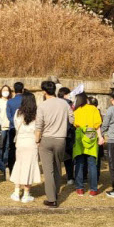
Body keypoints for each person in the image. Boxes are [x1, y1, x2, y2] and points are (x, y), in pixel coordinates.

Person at [35, 80, 74, 208]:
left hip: (46, 139)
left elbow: (39, 126)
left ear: (44, 92)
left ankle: (51, 198)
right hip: (60, 139)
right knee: (58, 167)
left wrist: (36, 141)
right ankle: (55, 192)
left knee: (48, 170)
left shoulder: (42, 106)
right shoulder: (64, 104)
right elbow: (72, 119)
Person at [10, 91, 41, 203]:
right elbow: (38, 129)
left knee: (19, 165)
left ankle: (16, 192)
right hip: (32, 142)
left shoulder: (18, 112)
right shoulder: (37, 113)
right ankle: (26, 194)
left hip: (20, 142)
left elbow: (15, 125)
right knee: (29, 167)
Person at [72, 92, 103, 197]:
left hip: (79, 135)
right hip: (91, 135)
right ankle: (93, 189)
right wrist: (100, 137)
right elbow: (97, 125)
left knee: (79, 162)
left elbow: (74, 124)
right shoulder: (93, 109)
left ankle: (80, 188)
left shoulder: (76, 110)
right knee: (92, 163)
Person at [6, 82, 24, 173]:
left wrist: (15, 123)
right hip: (24, 128)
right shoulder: (26, 100)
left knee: (12, 148)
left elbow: (8, 116)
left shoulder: (10, 101)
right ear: (22, 89)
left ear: (14, 89)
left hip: (13, 127)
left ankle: (11, 168)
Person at [58, 87, 75, 185]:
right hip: (68, 134)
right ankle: (70, 177)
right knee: (68, 157)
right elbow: (72, 119)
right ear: (65, 94)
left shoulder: (54, 103)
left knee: (55, 158)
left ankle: (56, 177)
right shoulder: (69, 104)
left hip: (55, 134)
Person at [0, 85, 13, 176]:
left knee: (7, 146)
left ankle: (5, 164)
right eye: (4, 90)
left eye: (7, 90)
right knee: (0, 146)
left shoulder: (11, 101)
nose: (5, 92)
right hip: (1, 127)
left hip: (9, 126)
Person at [88, 96, 105, 180]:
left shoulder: (89, 112)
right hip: (98, 136)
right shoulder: (98, 112)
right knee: (96, 158)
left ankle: (90, 175)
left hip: (91, 136)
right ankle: (96, 175)